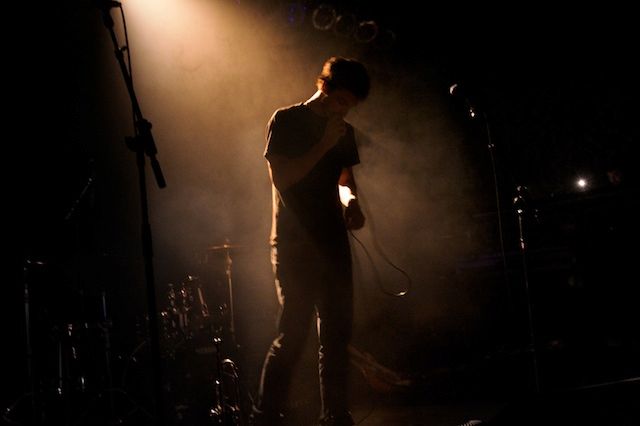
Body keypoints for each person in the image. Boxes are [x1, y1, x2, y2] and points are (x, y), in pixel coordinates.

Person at [251, 56, 370, 426]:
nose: (344, 109)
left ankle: (335, 415)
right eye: (341, 100)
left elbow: (344, 179)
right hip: (294, 244)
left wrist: (352, 203)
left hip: (332, 243)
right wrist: (322, 144)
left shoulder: (343, 131)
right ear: (325, 86)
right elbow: (283, 179)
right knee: (293, 335)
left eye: (350, 105)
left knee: (336, 336)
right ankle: (266, 416)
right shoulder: (286, 120)